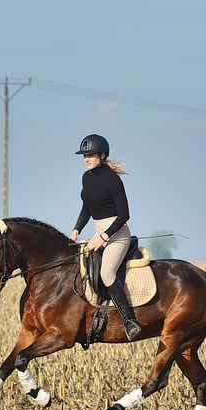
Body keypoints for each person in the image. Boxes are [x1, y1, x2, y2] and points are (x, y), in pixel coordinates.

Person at [69, 133, 142, 341]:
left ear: (102, 154)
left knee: (107, 274)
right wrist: (76, 229)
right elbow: (87, 206)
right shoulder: (86, 177)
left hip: (117, 233)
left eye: (90, 154)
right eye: (84, 155)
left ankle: (129, 321)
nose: (86, 159)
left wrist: (103, 237)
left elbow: (124, 215)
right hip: (97, 231)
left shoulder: (113, 180)